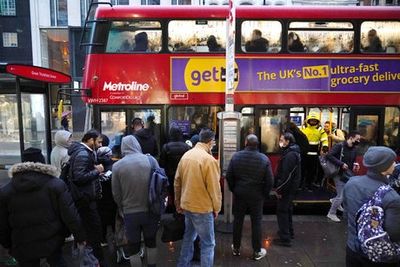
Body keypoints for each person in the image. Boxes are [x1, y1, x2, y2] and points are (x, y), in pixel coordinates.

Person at [0, 148, 86, 267]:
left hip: (22, 243)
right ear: (42, 162)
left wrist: (7, 244)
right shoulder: (56, 185)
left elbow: (3, 223)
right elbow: (69, 214)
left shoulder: (6, 190)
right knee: (57, 262)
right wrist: (79, 235)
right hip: (52, 240)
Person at [343, 146, 400, 266]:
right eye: (392, 162)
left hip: (353, 249)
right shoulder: (391, 197)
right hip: (377, 256)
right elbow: (394, 233)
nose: (395, 164)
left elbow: (346, 214)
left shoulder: (351, 183)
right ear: (384, 168)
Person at [175, 128, 222, 267]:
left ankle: (183, 264)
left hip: (187, 205)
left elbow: (177, 182)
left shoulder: (186, 156)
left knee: (188, 238)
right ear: (210, 141)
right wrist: (217, 208)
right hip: (202, 208)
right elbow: (214, 188)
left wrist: (178, 203)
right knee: (208, 244)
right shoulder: (209, 160)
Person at [112, 135, 159, 267]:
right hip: (150, 210)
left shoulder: (117, 166)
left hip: (130, 212)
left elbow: (116, 193)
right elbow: (160, 182)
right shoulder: (151, 160)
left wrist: (122, 207)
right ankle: (152, 265)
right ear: (137, 145)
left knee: (133, 245)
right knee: (151, 241)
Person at [226, 134, 273, 260]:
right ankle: (257, 251)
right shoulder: (264, 159)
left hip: (240, 194)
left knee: (238, 221)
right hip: (257, 196)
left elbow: (229, 176)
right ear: (257, 144)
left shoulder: (236, 156)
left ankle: (236, 248)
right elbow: (269, 181)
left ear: (246, 142)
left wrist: (234, 189)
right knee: (256, 223)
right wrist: (264, 194)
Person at [68, 129, 106, 266]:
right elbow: (79, 177)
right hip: (85, 200)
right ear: (90, 140)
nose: (100, 145)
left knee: (93, 232)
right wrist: (97, 171)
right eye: (98, 142)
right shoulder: (83, 154)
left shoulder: (84, 153)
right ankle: (94, 261)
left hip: (86, 199)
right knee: (93, 232)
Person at [326, 131, 361, 223]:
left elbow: (351, 161)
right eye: (357, 139)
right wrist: (341, 164)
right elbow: (329, 155)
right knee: (341, 195)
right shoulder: (339, 146)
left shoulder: (354, 149)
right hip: (338, 173)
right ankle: (331, 213)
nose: (358, 141)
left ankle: (334, 201)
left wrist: (355, 165)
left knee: (344, 193)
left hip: (347, 173)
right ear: (351, 138)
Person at [273, 132, 301, 247]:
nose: (280, 142)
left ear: (288, 141)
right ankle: (290, 232)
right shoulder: (293, 152)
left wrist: (279, 190)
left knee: (282, 211)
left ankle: (285, 238)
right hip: (291, 188)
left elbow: (286, 176)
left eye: (282, 140)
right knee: (287, 210)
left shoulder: (290, 155)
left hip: (287, 189)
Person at [159, 126, 191, 211]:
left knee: (173, 194)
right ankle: (183, 211)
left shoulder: (166, 147)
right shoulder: (186, 147)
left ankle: (175, 210)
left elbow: (162, 164)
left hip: (170, 175)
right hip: (184, 175)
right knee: (183, 192)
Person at [96, 145, 117, 251]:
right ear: (110, 155)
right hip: (112, 199)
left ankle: (102, 239)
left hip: (100, 200)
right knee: (114, 220)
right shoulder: (115, 166)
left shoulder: (95, 167)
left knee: (102, 220)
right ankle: (116, 239)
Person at [301, 112, 329, 190]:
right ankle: (301, 184)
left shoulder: (320, 129)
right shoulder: (303, 128)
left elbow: (324, 139)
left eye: (314, 120)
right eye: (311, 120)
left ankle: (309, 184)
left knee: (312, 171)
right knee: (302, 169)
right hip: (304, 153)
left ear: (317, 121)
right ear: (308, 120)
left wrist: (325, 146)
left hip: (314, 154)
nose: (313, 122)